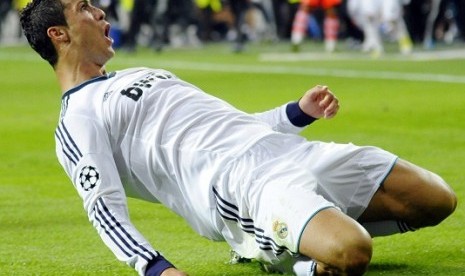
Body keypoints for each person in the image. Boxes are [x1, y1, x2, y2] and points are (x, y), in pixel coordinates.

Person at [19, 0, 457, 275]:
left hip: (290, 150)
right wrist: (154, 267)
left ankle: (297, 231)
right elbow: (103, 206)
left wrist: (295, 113)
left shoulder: (140, 73)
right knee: (351, 252)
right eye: (85, 8)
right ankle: (285, 255)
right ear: (59, 34)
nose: (101, 13)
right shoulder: (77, 118)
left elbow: (232, 125)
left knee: (437, 199)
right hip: (240, 186)